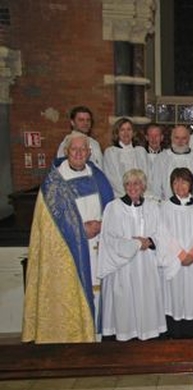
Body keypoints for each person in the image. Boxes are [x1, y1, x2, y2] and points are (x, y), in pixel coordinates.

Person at [23, 132, 114, 343]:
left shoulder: (98, 177)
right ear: (66, 152)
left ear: (90, 153)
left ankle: (98, 338)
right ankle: (78, 339)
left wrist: (102, 225)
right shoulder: (54, 184)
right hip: (70, 252)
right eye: (75, 149)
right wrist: (80, 231)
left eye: (84, 150)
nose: (79, 153)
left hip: (100, 246)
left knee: (100, 293)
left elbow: (113, 211)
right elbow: (47, 228)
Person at [97, 169, 166, 341]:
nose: (132, 187)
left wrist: (149, 241)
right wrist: (135, 244)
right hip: (123, 267)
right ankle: (125, 336)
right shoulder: (113, 208)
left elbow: (162, 233)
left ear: (144, 186)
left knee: (146, 300)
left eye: (137, 183)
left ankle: (147, 335)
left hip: (146, 265)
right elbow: (110, 239)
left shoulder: (152, 207)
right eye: (128, 183)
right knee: (124, 302)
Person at [158, 168, 193, 339]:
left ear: (191, 184)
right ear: (171, 185)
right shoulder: (165, 207)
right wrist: (181, 254)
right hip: (176, 260)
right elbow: (163, 233)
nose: (180, 185)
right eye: (176, 182)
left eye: (184, 181)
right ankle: (176, 331)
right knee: (175, 295)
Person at [150, 125, 193, 201]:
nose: (180, 142)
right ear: (171, 138)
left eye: (184, 138)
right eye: (177, 138)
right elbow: (155, 187)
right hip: (168, 207)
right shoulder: (161, 159)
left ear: (189, 139)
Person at [103, 117, 149, 198]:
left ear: (133, 132)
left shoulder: (141, 151)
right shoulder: (111, 152)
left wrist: (139, 192)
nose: (126, 133)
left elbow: (146, 174)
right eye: (122, 130)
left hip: (141, 195)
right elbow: (112, 178)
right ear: (117, 133)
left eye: (129, 129)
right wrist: (129, 194)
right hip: (120, 196)